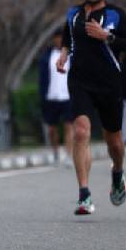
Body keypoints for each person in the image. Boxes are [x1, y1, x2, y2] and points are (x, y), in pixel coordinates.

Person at [57, 0, 126, 215]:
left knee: (113, 140)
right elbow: (67, 37)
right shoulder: (73, 14)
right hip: (79, 81)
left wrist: (108, 37)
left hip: (108, 84)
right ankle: (84, 195)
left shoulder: (117, 15)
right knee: (80, 132)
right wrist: (62, 56)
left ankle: (117, 172)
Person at [38, 29, 74, 165]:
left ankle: (69, 155)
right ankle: (56, 152)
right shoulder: (47, 57)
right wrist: (42, 96)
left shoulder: (72, 56)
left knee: (69, 126)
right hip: (51, 97)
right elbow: (41, 79)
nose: (59, 41)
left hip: (68, 96)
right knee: (52, 129)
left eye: (62, 38)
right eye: (57, 38)